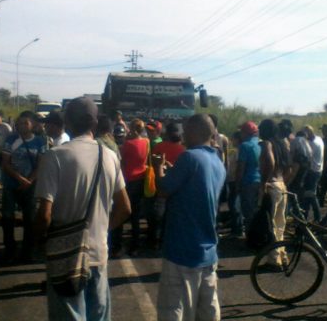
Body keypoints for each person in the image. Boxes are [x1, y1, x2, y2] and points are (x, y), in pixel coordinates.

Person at [34, 97, 131, 321]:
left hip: (65, 255)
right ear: (95, 124)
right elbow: (125, 208)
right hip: (97, 254)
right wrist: (101, 230)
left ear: (67, 122)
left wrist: (39, 240)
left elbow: (44, 214)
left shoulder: (55, 156)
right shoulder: (109, 155)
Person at [151, 114, 226, 321]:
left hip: (182, 250)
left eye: (185, 130)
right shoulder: (217, 161)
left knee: (174, 309)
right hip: (208, 250)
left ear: (193, 132)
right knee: (207, 311)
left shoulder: (189, 157)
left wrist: (158, 167)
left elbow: (164, 188)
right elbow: (197, 189)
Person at [1, 110, 46, 264]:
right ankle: (9, 250)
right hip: (11, 184)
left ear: (32, 124)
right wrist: (20, 179)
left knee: (30, 220)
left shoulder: (40, 141)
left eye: (25, 123)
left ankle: (28, 251)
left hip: (30, 186)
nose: (22, 126)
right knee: (7, 218)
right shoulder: (11, 139)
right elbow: (5, 163)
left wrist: (29, 181)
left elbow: (41, 165)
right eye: (19, 123)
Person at [112, 118, 149, 256]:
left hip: (128, 180)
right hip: (141, 180)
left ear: (132, 129)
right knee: (135, 215)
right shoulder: (146, 142)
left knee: (121, 211)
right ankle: (135, 245)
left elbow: (121, 161)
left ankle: (117, 245)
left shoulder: (127, 145)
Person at [258, 119, 290, 265]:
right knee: (280, 223)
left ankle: (273, 259)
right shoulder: (282, 144)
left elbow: (269, 161)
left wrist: (264, 181)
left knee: (270, 224)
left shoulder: (267, 143)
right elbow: (288, 167)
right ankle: (282, 255)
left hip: (271, 185)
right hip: (282, 184)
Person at [235, 121, 261, 233]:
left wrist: (237, 184)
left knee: (248, 212)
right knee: (257, 210)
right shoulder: (260, 144)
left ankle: (251, 237)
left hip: (248, 182)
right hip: (260, 181)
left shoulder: (244, 146)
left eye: (241, 131)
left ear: (245, 133)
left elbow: (241, 167)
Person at [301, 125, 324, 222]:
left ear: (308, 133)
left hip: (312, 171)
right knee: (311, 194)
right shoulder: (319, 139)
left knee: (309, 195)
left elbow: (307, 158)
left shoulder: (312, 144)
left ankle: (312, 216)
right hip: (318, 169)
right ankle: (315, 217)